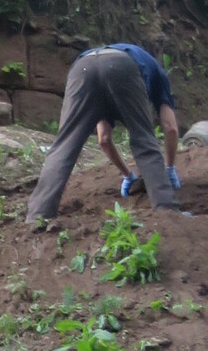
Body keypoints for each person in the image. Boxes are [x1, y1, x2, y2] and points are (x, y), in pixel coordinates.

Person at [26, 41, 182, 225]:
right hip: (122, 65)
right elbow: (170, 127)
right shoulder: (157, 72)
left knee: (64, 146)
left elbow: (104, 139)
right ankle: (166, 209)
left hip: (82, 67)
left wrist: (128, 175)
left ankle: (37, 216)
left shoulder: (106, 87)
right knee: (143, 139)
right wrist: (169, 168)